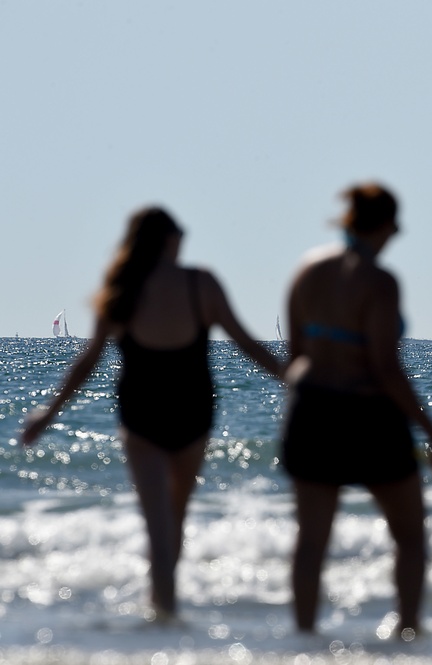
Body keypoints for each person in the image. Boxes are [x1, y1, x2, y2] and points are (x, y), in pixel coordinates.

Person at [21, 206, 283, 619]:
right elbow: (247, 345)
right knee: (174, 520)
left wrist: (47, 414)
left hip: (141, 415)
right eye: (180, 234)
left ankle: (162, 610)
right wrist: (294, 378)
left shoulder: (122, 288)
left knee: (158, 524)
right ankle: (166, 608)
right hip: (192, 413)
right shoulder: (201, 284)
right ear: (168, 239)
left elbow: (87, 362)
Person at [282, 182, 432, 639]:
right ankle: (407, 631)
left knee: (311, 542)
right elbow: (385, 366)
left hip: (312, 410)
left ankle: (304, 638)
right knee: (410, 536)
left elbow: (296, 353)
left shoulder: (307, 271)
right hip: (369, 415)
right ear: (389, 224)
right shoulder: (380, 282)